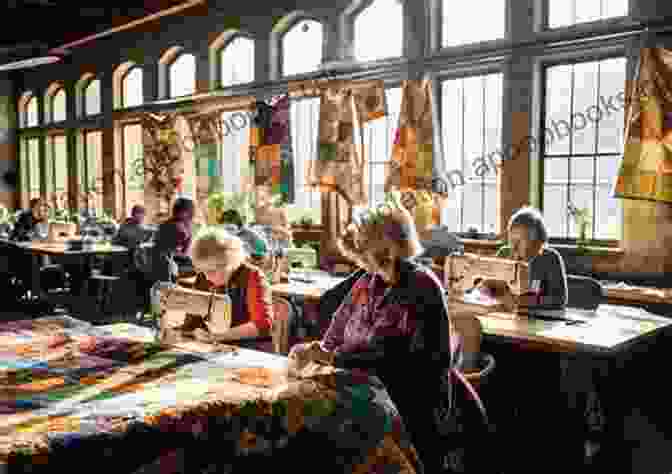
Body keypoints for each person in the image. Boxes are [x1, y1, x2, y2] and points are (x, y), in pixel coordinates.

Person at [286, 196, 453, 472]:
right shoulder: (369, 281)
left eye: (364, 248)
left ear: (387, 247)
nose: (359, 256)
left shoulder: (420, 286)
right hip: (371, 390)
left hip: (410, 403)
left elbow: (385, 354)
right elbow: (339, 325)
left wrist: (329, 358)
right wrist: (316, 349)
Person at [186, 229, 273, 343]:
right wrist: (194, 331)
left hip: (248, 348)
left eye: (211, 271)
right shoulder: (203, 277)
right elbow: (192, 322)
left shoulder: (252, 276)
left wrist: (218, 336)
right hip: (211, 346)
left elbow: (263, 325)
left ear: (229, 263)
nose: (206, 277)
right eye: (202, 270)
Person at [489, 206, 568, 314]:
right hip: (505, 317)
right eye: (511, 240)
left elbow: (559, 299)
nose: (514, 247)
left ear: (536, 242)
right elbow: (487, 288)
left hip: (538, 321)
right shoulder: (504, 253)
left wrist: (523, 301)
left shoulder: (550, 258)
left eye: (519, 241)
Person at [150, 198, 195, 282]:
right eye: (179, 210)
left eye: (183, 211)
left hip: (168, 260)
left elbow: (184, 252)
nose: (180, 213)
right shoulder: (172, 226)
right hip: (164, 262)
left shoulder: (184, 226)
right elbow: (162, 248)